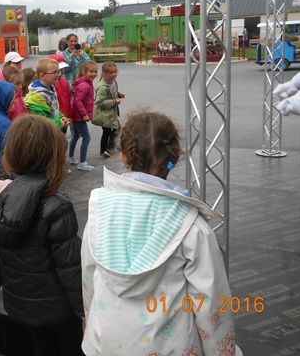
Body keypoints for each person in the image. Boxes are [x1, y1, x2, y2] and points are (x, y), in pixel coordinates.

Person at [81, 111, 237, 355]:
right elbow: (211, 300)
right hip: (169, 347)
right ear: (173, 157)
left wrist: (92, 328)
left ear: (123, 157)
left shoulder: (100, 212)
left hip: (108, 341)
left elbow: (90, 277)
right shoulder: (191, 226)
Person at [0, 115, 83, 356]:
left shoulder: (3, 196)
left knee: (41, 347)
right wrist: (84, 310)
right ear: (55, 157)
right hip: (58, 310)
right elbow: (71, 269)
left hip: (20, 303)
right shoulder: (56, 208)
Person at [24, 58, 69, 130]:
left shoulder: (50, 88)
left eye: (58, 72)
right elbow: (41, 122)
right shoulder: (36, 97)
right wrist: (60, 123)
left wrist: (61, 116)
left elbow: (53, 109)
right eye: (55, 72)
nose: (58, 75)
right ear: (42, 76)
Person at [69, 61, 98, 171]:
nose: (94, 74)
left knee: (76, 136)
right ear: (84, 72)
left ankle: (71, 157)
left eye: (95, 71)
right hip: (79, 117)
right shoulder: (85, 85)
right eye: (91, 71)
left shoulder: (86, 83)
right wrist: (85, 114)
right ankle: (82, 162)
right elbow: (78, 101)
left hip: (77, 116)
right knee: (86, 138)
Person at [92, 61, 123, 158]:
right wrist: (114, 102)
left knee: (116, 129)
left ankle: (109, 147)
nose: (114, 74)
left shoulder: (113, 82)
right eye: (111, 73)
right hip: (104, 114)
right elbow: (99, 102)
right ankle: (105, 150)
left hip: (111, 113)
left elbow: (112, 92)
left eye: (115, 72)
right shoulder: (102, 87)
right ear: (104, 73)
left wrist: (118, 94)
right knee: (108, 131)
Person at [49, 54, 72, 123]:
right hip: (55, 118)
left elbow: (68, 100)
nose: (61, 70)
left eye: (63, 68)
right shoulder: (50, 83)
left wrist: (69, 115)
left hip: (65, 116)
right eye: (59, 69)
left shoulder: (65, 82)